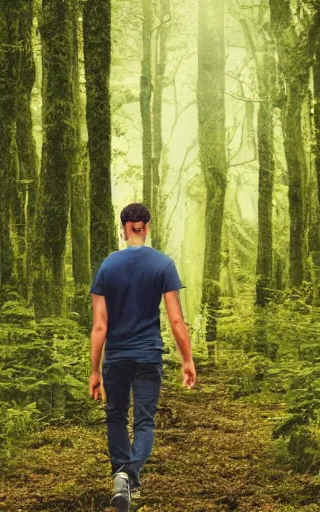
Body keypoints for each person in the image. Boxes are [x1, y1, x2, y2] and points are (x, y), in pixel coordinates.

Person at [88, 203, 196, 512]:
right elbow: (176, 320)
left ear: (123, 228)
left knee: (116, 417)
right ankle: (129, 476)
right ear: (146, 226)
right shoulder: (163, 264)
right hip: (149, 354)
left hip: (117, 357)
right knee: (145, 421)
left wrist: (94, 369)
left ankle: (122, 476)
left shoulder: (108, 266)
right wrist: (187, 360)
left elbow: (100, 325)